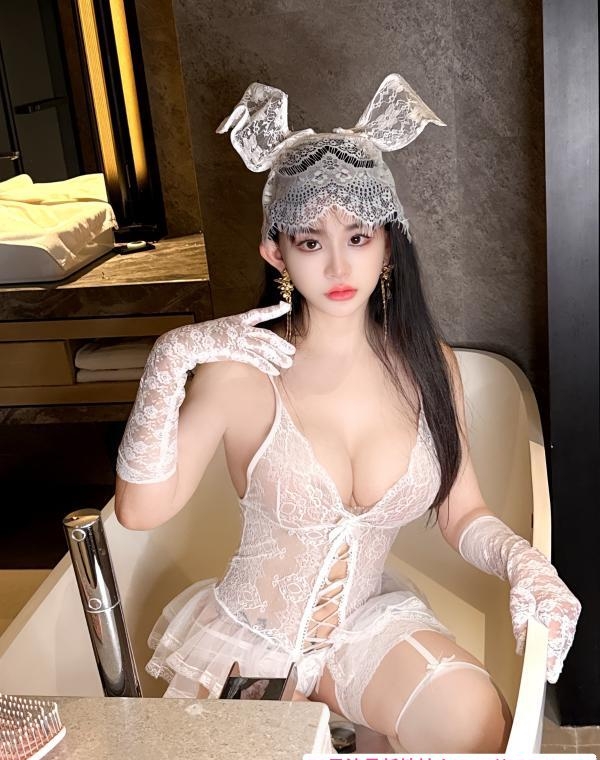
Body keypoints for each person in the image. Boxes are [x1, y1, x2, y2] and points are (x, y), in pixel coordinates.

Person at [114, 74, 580, 752]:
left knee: (477, 721)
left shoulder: (430, 366)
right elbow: (138, 511)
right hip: (253, 637)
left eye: (358, 236)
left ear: (389, 243)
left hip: (366, 628)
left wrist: (524, 562)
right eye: (311, 242)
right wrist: (168, 359)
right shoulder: (241, 372)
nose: (338, 265)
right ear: (276, 252)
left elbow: (462, 511)